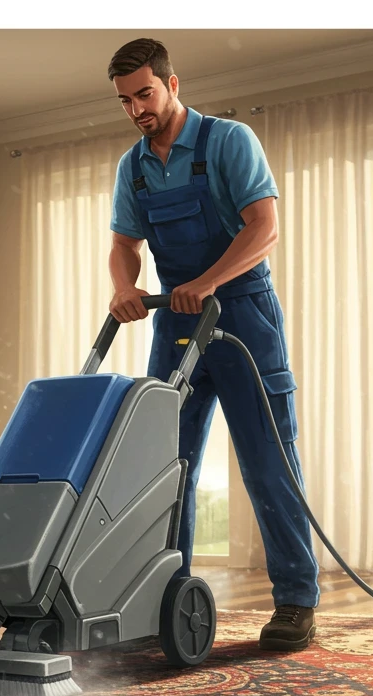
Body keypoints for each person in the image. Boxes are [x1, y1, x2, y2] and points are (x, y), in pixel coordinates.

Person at [106, 38, 321, 651]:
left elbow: (265, 227)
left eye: (145, 94)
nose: (137, 109)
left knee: (267, 461)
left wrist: (205, 283)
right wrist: (125, 286)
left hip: (243, 312)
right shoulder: (134, 166)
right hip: (176, 324)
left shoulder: (229, 142)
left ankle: (296, 601)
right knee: (168, 470)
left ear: (173, 84)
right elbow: (125, 243)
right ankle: (166, 600)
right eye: (125, 101)